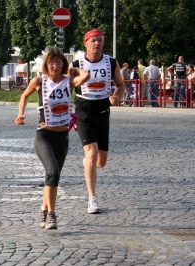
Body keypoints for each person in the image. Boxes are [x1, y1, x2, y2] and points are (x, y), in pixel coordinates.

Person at [15, 47, 90, 229]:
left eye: (59, 62)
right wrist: (21, 114)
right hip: (44, 135)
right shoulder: (39, 81)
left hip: (62, 136)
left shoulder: (69, 81)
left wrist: (75, 69)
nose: (55, 66)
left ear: (63, 64)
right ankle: (51, 214)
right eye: (51, 63)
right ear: (46, 65)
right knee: (52, 171)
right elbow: (24, 96)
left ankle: (43, 207)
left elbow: (86, 76)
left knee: (53, 177)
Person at [70, 29, 125, 214]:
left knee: (100, 162)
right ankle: (92, 199)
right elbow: (66, 88)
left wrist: (116, 96)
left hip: (103, 112)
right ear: (85, 43)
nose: (97, 44)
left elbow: (120, 84)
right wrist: (71, 115)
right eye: (93, 40)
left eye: (100, 40)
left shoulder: (111, 62)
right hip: (83, 113)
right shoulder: (77, 64)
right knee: (92, 154)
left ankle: (88, 163)